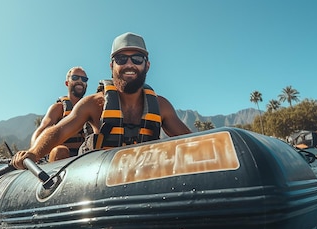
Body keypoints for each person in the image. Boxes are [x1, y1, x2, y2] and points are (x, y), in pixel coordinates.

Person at [11, 32, 191, 169]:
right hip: (97, 179)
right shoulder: (93, 104)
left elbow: (191, 141)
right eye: (121, 59)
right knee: (60, 151)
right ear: (112, 65)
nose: (129, 64)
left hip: (141, 176)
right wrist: (33, 153)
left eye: (137, 59)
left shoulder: (162, 106)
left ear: (147, 65)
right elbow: (59, 131)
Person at [31, 66, 90, 161]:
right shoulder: (58, 108)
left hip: (86, 156)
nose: (80, 81)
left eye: (84, 79)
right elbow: (41, 131)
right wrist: (32, 152)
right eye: (75, 78)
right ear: (67, 83)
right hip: (61, 159)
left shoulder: (91, 108)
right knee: (60, 150)